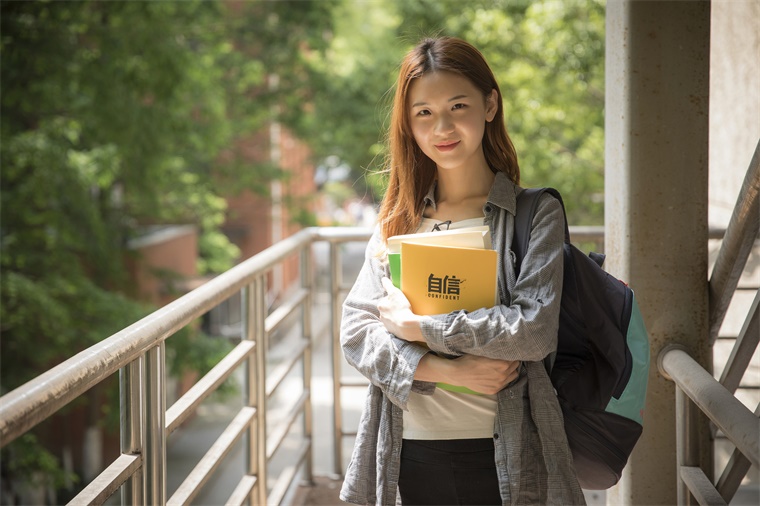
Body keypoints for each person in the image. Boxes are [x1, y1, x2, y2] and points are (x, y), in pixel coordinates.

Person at [339, 36, 585, 505]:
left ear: (490, 104)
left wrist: (420, 327)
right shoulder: (398, 219)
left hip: (507, 452)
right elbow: (357, 332)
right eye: (424, 113)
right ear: (408, 125)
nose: (443, 127)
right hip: (409, 448)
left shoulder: (535, 213)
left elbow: (532, 331)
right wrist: (446, 371)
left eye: (458, 105)